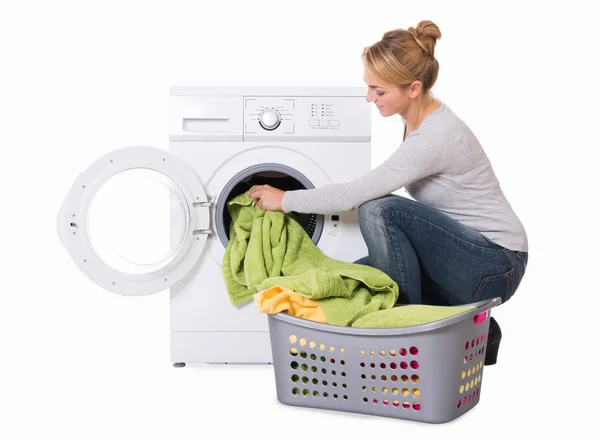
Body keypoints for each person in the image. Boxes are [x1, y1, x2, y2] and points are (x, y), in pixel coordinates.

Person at [248, 20, 528, 365]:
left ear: (413, 88)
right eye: (369, 88)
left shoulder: (436, 137)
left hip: (496, 263)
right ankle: (478, 330)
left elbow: (356, 194)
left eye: (379, 91)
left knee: (379, 210)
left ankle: (406, 332)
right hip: (470, 257)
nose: (369, 98)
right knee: (352, 280)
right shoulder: (419, 115)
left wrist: (286, 200)